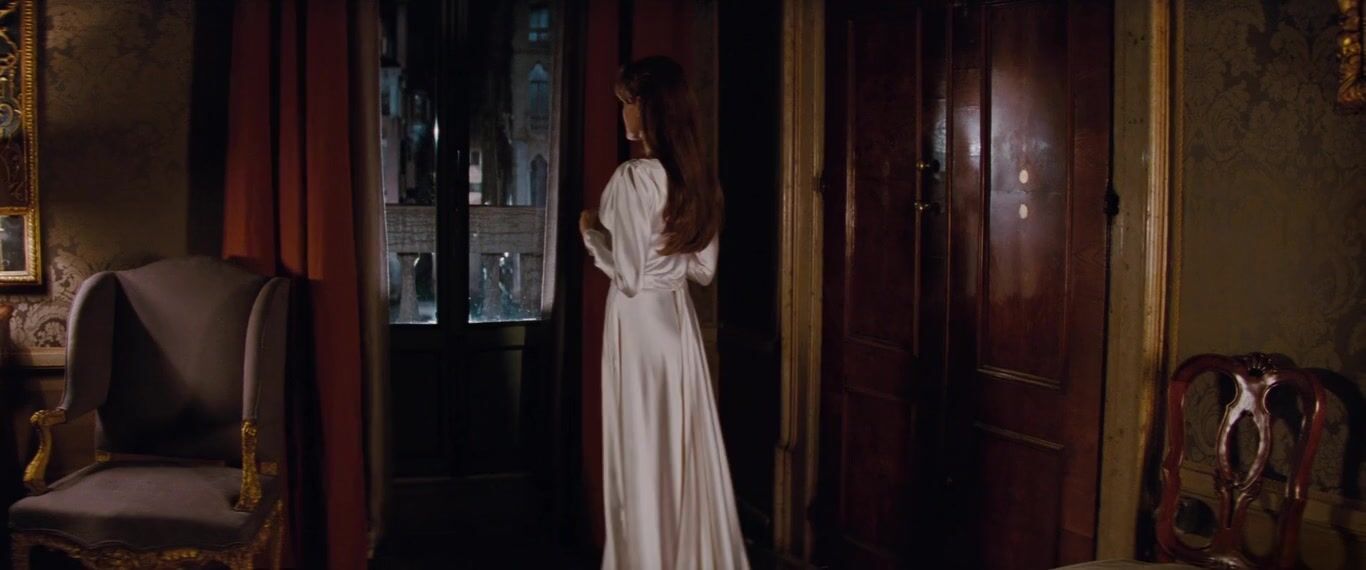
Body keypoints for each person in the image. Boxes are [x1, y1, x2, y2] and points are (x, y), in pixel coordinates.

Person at [580, 55, 749, 570]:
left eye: (626, 103)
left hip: (638, 328)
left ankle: (647, 558)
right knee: (679, 446)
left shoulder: (634, 179)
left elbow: (629, 277)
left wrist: (592, 234)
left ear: (646, 107)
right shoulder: (696, 179)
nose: (623, 114)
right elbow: (703, 270)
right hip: (678, 326)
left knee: (642, 449)